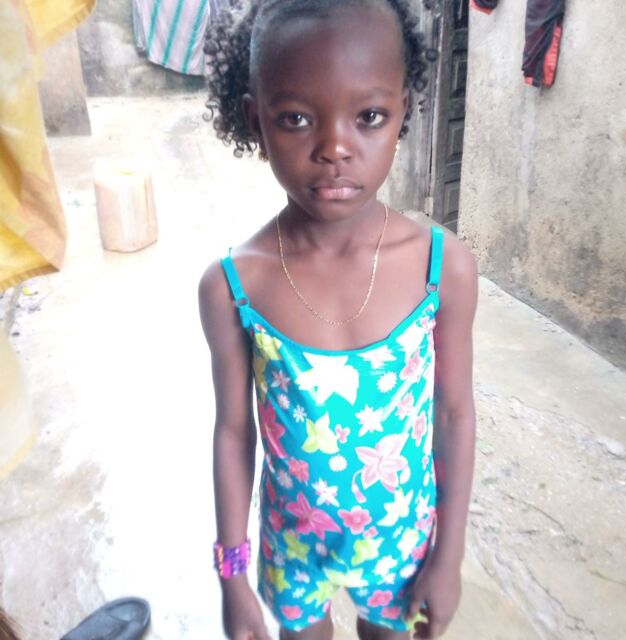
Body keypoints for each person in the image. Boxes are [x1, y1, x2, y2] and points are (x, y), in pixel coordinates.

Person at [199, 2, 477, 639]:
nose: (334, 148)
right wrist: (232, 576)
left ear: (403, 112)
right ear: (255, 121)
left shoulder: (442, 269)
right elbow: (233, 434)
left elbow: (454, 415)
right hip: (292, 545)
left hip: (403, 541)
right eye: (296, 119)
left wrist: (449, 556)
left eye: (369, 117)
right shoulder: (233, 286)